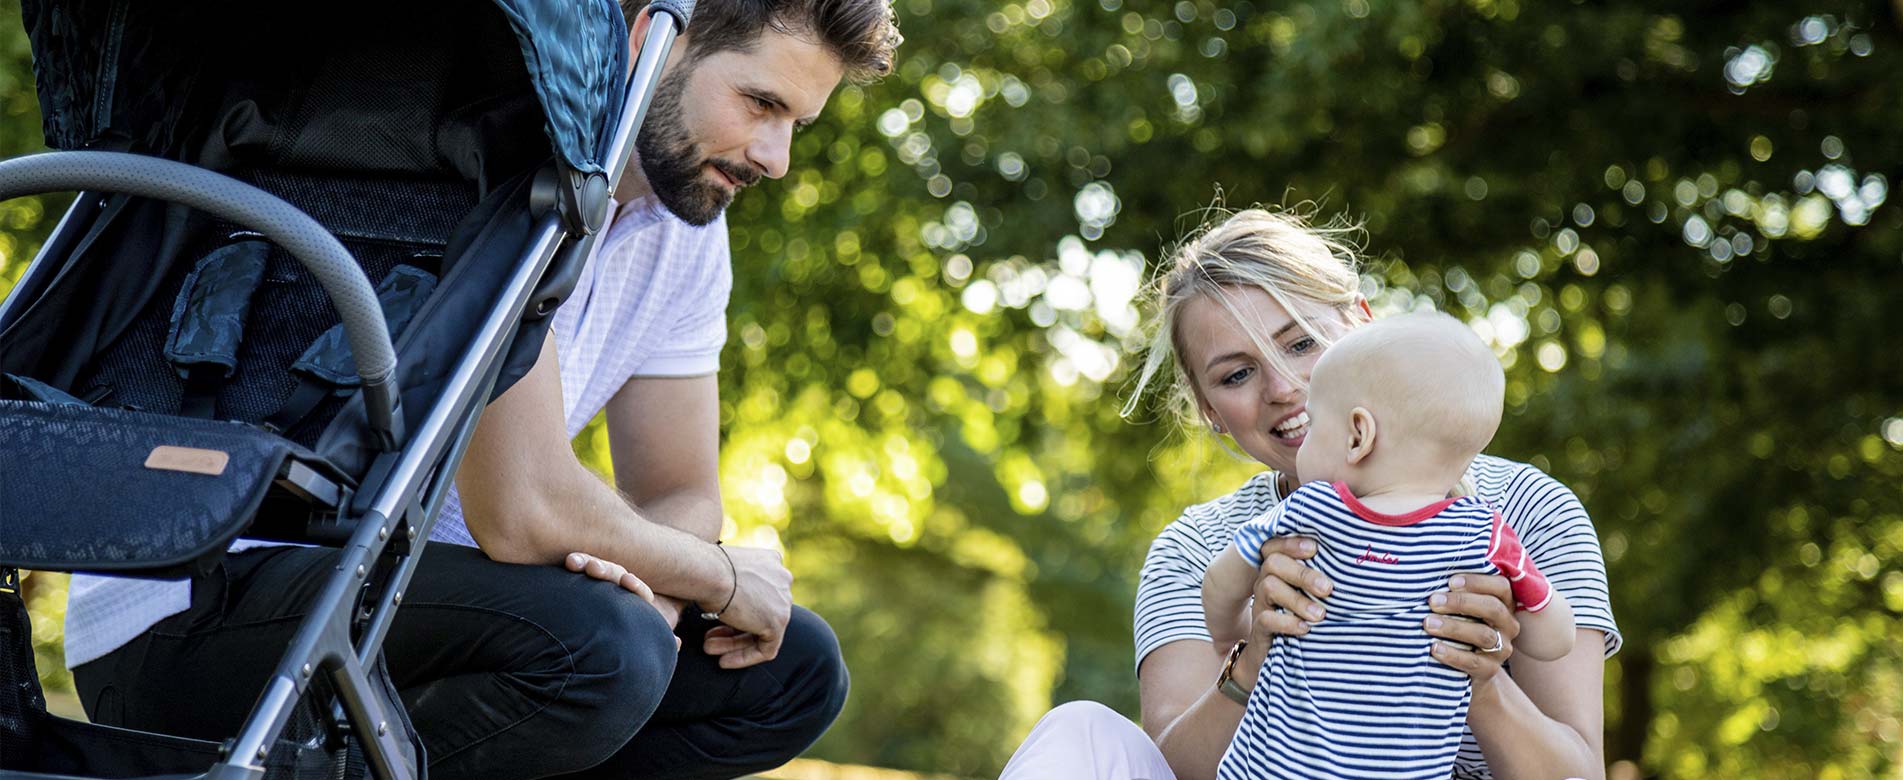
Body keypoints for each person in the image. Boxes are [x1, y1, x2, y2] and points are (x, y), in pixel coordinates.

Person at [63, 2, 901, 778]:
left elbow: (679, 491)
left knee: (789, 672)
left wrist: (644, 572)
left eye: (796, 122)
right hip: (195, 609)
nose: (776, 158)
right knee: (602, 650)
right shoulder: (485, 176)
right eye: (760, 103)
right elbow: (523, 513)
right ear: (654, 39)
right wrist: (714, 579)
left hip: (433, 610)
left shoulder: (684, 239)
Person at [1000, 209, 1620, 780]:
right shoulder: (1199, 549)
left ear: (1364, 325)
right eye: (1237, 374)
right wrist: (1254, 652)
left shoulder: (1521, 513)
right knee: (1079, 730)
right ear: (1209, 408)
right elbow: (1171, 769)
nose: (1285, 386)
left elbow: (1579, 771)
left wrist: (1481, 679)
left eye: (1301, 343)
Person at [1201, 312, 1575, 780]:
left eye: (1315, 424)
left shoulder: (1310, 510)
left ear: (1358, 435)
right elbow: (1557, 638)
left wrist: (1227, 634)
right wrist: (1510, 630)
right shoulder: (1485, 532)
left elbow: (1220, 582)